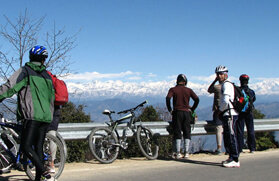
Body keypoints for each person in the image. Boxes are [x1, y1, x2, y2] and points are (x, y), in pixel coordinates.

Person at [0, 45, 55, 180]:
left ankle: (45, 174)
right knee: (38, 148)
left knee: (25, 147)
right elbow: (51, 96)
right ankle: (39, 179)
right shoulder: (47, 76)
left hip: (32, 116)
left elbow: (9, 88)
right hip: (46, 116)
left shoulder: (25, 71)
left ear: (30, 57)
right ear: (43, 60)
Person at [166, 74, 199, 159]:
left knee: (177, 132)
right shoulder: (188, 90)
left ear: (177, 81)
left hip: (177, 112)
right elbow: (197, 99)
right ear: (185, 82)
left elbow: (168, 98)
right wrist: (192, 109)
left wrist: (170, 110)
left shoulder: (173, 89)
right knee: (186, 131)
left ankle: (178, 152)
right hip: (187, 113)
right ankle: (186, 152)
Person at [217, 65, 240, 168]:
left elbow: (226, 100)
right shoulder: (226, 84)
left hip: (229, 113)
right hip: (229, 113)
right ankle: (231, 157)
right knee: (228, 135)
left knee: (231, 136)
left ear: (226, 74)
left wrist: (220, 110)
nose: (219, 76)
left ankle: (235, 158)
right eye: (218, 74)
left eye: (221, 74)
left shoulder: (226, 85)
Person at [207, 66, 225, 155]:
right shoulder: (230, 86)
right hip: (228, 110)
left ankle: (219, 148)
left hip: (218, 110)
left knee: (218, 128)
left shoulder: (217, 87)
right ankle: (229, 148)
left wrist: (214, 80)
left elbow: (209, 90)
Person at [237, 74, 256, 153]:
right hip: (249, 112)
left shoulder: (238, 90)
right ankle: (252, 148)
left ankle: (240, 148)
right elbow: (253, 99)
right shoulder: (251, 91)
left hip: (241, 112)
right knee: (250, 130)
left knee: (240, 131)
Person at [47, 105, 61, 173]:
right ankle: (51, 163)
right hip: (56, 111)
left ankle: (50, 164)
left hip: (46, 110)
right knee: (52, 135)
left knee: (41, 135)